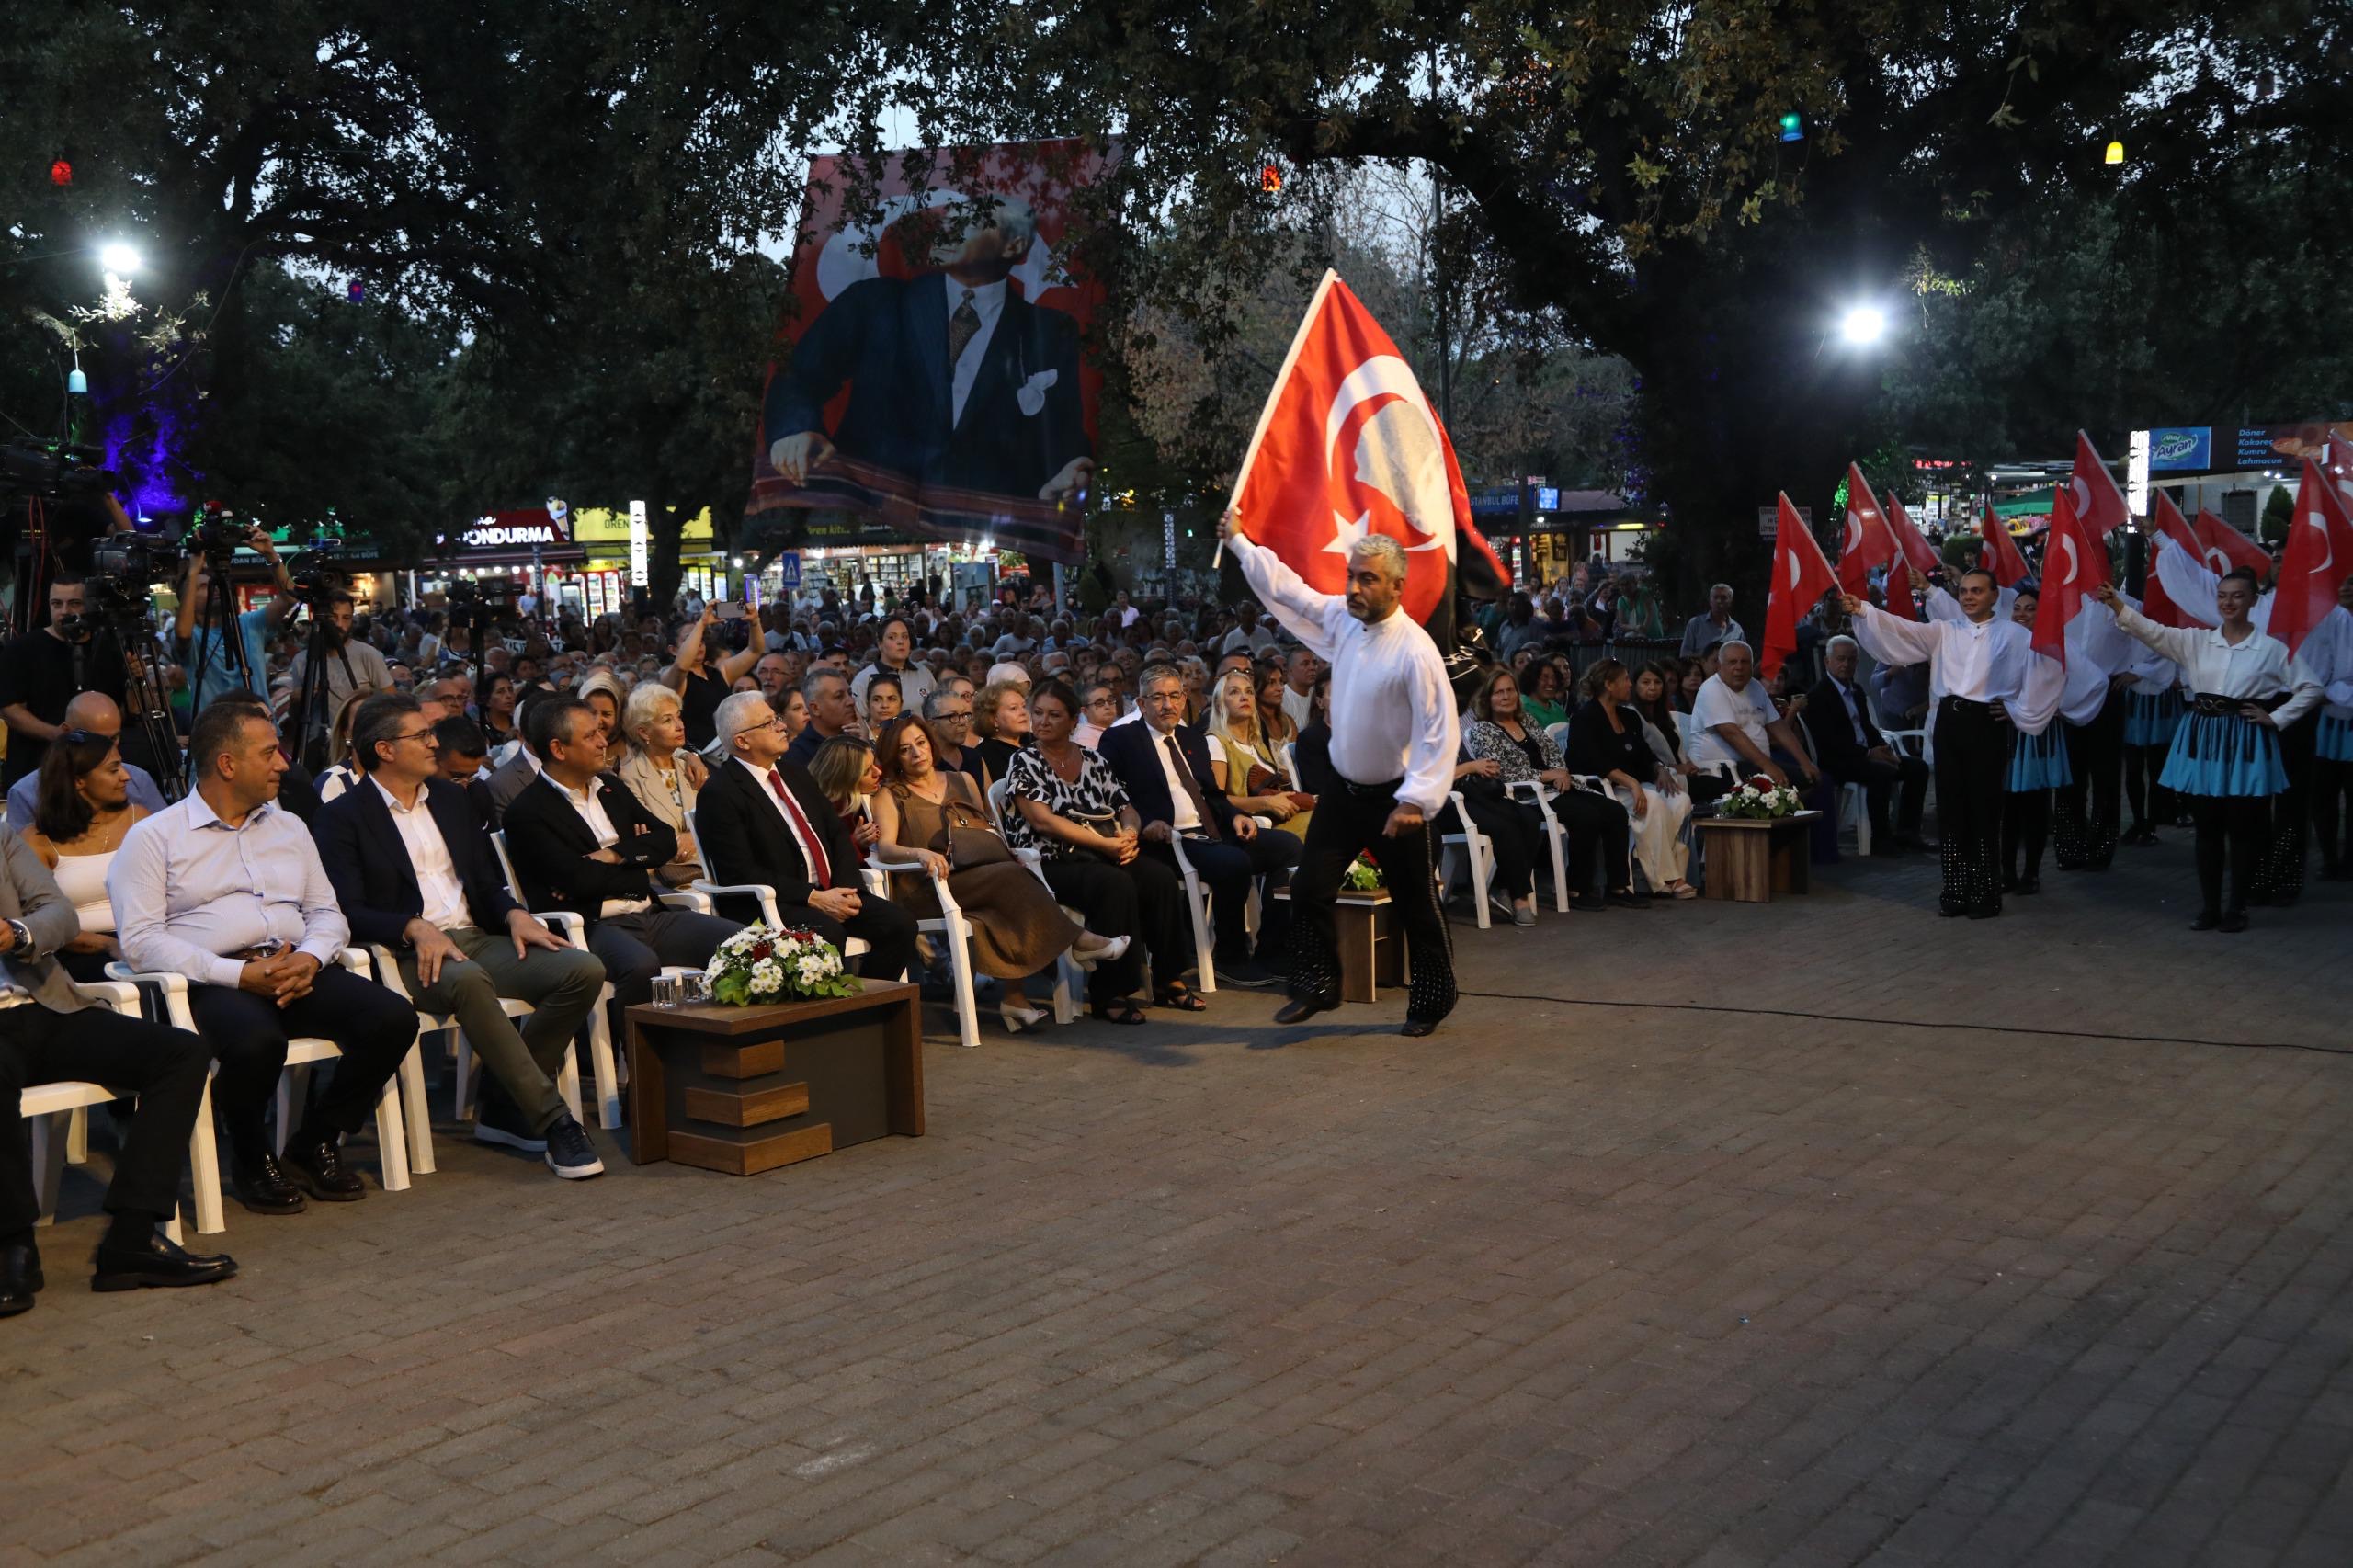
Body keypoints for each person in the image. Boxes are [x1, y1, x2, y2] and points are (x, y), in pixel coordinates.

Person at [109, 701, 421, 1213]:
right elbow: (141, 941)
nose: (284, 763)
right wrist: (238, 974)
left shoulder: (289, 827)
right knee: (257, 1042)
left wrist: (314, 959)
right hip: (208, 981)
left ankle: (314, 1140)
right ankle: (252, 1157)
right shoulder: (154, 837)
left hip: (294, 965)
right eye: (270, 753)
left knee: (392, 1017)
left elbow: (327, 911)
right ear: (228, 764)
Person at [313, 696, 608, 1178]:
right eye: (421, 735)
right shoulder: (342, 815)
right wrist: (410, 926)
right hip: (406, 955)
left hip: (474, 936)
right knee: (470, 981)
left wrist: (514, 913)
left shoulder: (451, 798)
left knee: (582, 969)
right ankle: (554, 1121)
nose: (435, 742)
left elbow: (486, 882)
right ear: (385, 749)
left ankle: (505, 1099)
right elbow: (345, 908)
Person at [1220, 513, 1450, 1033]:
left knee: (1417, 905)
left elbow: (1439, 732)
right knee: (1309, 891)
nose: (1353, 587)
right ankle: (1319, 987)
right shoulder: (1345, 620)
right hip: (1343, 797)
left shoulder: (1416, 651)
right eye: (1351, 575)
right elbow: (1292, 592)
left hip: (1398, 801)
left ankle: (1431, 1002)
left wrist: (1416, 801)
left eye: (1367, 578)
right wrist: (1238, 541)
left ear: (1396, 584)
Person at [3, 824, 237, 1313]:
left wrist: (17, 933)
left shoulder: (1, 837)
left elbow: (60, 914)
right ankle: (12, 1246)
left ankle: (131, 1239)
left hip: (44, 1006)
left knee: (181, 1053)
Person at [763, 196, 1095, 509]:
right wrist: (795, 430)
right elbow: (798, 377)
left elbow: (1062, 427)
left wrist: (1070, 468)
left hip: (988, 519)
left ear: (1014, 245)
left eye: (971, 222)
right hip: (871, 506)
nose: (948, 228)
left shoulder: (1050, 330)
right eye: (949, 220)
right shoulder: (875, 303)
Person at [499, 696, 741, 1036]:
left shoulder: (610, 787)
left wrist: (614, 855)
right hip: (591, 925)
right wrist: (635, 860)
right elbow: (578, 881)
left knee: (739, 941)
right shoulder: (527, 812)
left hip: (649, 911)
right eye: (591, 736)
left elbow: (664, 839)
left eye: (601, 731)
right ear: (558, 748)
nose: (603, 742)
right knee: (641, 966)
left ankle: (716, 1050)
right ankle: (639, 1075)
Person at [2096, 573, 2319, 931]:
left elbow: (2311, 687)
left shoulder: (2271, 649)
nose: (2228, 603)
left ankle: (2237, 907)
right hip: (2203, 738)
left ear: (2252, 601)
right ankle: (2210, 908)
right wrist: (2117, 603)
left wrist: (2276, 718)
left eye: (2237, 596)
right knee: (2208, 828)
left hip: (2243, 741)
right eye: (2222, 596)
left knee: (2243, 829)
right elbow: (2152, 632)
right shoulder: (2197, 641)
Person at [870, 714, 1121, 1032]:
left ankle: (1014, 998)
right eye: (905, 750)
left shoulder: (963, 780)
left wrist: (1008, 850)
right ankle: (1077, 940)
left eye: (920, 743)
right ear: (896, 758)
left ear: (931, 745)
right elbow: (887, 848)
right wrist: (919, 853)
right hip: (930, 886)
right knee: (1009, 881)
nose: (917, 753)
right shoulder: (891, 795)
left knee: (1002, 895)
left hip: (982, 875)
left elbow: (986, 828)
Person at [1840, 572, 2063, 918]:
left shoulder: (2016, 635)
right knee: (1951, 807)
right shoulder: (1944, 630)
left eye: (1977, 591)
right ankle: (1955, 892)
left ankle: (1985, 894)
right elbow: (1902, 630)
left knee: (1984, 810)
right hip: (1949, 722)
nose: (1969, 597)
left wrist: (2018, 709)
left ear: (1994, 596)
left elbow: (2048, 670)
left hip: (1985, 723)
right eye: (1963, 591)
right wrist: (1865, 610)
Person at [1098, 661, 1299, 990]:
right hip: (1167, 840)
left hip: (1213, 833)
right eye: (1158, 697)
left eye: (1174, 696)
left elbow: (1213, 795)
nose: (1168, 705)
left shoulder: (1191, 738)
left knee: (1288, 848)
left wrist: (1235, 815)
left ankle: (1272, 949)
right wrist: (1147, 823)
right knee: (1234, 864)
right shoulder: (1121, 740)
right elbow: (1113, 797)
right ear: (1142, 703)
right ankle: (1230, 958)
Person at [1003, 681, 1193, 1019]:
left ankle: (1168, 978)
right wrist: (1106, 844)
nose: (1043, 721)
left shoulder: (1092, 759)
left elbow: (1125, 807)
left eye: (1054, 715)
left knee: (1158, 877)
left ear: (1073, 720)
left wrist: (1131, 835)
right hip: (1048, 860)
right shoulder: (1025, 759)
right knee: (1114, 883)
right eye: (1038, 713)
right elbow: (1043, 821)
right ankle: (1110, 993)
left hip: (1100, 852)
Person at [693, 692, 915, 980]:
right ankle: (825, 1018)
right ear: (742, 741)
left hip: (830, 891)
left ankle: (868, 1009)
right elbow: (739, 872)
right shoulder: (720, 793)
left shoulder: (795, 773)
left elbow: (835, 832)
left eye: (777, 720)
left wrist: (847, 888)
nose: (782, 726)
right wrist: (813, 897)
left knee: (901, 924)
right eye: (769, 723)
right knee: (828, 932)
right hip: (775, 901)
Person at [15, 729, 149, 982]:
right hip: (77, 951)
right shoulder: (37, 840)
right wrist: (107, 945)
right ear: (78, 780)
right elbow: (38, 922)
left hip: (145, 937)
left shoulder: (139, 819)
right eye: (113, 769)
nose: (126, 776)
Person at [1563, 661, 1695, 899]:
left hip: (1634, 785)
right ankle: (1669, 878)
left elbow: (1646, 755)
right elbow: (1593, 762)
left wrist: (1660, 768)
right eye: (1625, 679)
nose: (1630, 684)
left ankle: (1647, 863)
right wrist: (1632, 784)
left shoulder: (1628, 717)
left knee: (1679, 800)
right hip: (1602, 788)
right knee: (1653, 801)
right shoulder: (1585, 718)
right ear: (1609, 685)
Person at [1, 575, 138, 790]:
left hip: (99, 775)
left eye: (74, 603)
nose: (64, 611)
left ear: (90, 605)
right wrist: (56, 734)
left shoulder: (109, 648)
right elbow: (9, 709)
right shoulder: (22, 649)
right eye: (57, 604)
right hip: (36, 771)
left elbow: (122, 709)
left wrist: (135, 683)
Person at [1804, 635, 1931, 856]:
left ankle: (1907, 832)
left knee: (1917, 768)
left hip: (1865, 753)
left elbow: (1868, 728)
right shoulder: (1819, 695)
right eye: (1840, 659)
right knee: (1880, 773)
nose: (1846, 665)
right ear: (1828, 662)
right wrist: (1869, 753)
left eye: (1851, 660)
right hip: (1838, 759)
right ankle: (1880, 839)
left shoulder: (1856, 690)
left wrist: (1883, 749)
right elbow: (1829, 741)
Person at [171, 526, 298, 712]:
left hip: (262, 727)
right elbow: (182, 633)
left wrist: (271, 556)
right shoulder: (194, 636)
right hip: (215, 734)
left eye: (212, 583)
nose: (213, 588)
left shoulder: (249, 623)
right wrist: (193, 571)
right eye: (202, 587)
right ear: (186, 600)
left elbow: (290, 598)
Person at [5, 693, 167, 827]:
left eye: (115, 737)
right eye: (98, 740)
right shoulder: (26, 794)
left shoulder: (138, 780)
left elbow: (167, 841)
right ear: (67, 732)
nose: (110, 749)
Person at [1688, 642, 1820, 794]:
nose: (1739, 667)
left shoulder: (1755, 687)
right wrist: (1767, 766)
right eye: (1732, 662)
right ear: (1720, 666)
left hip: (1753, 765)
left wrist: (1805, 762)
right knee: (1787, 782)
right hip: (1719, 769)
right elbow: (1730, 733)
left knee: (1811, 778)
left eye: (1744, 662)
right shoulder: (1711, 689)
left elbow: (1778, 725)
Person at [613, 682, 707, 888]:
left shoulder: (690, 765)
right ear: (644, 733)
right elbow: (650, 839)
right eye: (667, 720)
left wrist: (694, 836)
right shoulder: (629, 777)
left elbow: (716, 818)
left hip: (710, 868)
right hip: (669, 880)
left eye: (678, 716)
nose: (680, 725)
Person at [1205, 668, 1314, 841]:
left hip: (1276, 816)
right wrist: (1267, 802)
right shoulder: (1216, 742)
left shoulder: (1256, 741)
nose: (1244, 697)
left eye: (1249, 692)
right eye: (1234, 692)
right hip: (1249, 825)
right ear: (1220, 704)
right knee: (1319, 823)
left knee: (1329, 812)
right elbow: (1217, 800)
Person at [663, 601, 763, 750]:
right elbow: (682, 665)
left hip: (729, 750)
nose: (699, 644)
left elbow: (755, 651)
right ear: (673, 650)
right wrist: (701, 623)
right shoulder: (671, 676)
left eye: (701, 639)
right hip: (695, 756)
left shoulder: (720, 671)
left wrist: (755, 622)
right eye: (690, 639)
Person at [2303, 579, 2353, 880]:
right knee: (2322, 796)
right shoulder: (2325, 620)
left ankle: (2349, 860)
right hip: (2326, 724)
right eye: (2342, 582)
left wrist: (2329, 691)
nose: (2345, 588)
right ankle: (2329, 858)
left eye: (2352, 582)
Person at [284, 590, 395, 720]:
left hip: (358, 735)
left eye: (346, 618)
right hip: (317, 737)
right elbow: (296, 716)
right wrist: (296, 700)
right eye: (333, 617)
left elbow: (391, 702)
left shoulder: (368, 654)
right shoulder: (302, 660)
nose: (339, 624)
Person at [851, 617, 937, 724]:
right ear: (880, 644)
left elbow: (936, 713)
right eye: (892, 637)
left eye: (905, 637)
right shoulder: (863, 679)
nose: (900, 642)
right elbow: (860, 722)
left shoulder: (924, 673)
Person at [785, 667, 859, 767]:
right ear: (815, 708)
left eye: (850, 694)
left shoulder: (856, 737)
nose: (851, 701)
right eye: (839, 696)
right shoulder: (797, 755)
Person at [972, 678, 1031, 787]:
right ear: (994, 719)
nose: (1023, 712)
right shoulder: (984, 756)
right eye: (1013, 708)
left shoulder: (1034, 741)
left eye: (1023, 706)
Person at [1677, 584, 1745, 661]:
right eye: (1716, 597)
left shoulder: (1737, 630)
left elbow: (1743, 656)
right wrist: (1707, 659)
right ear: (1710, 601)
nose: (1719, 601)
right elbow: (1684, 654)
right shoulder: (1695, 624)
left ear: (1730, 602)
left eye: (1723, 598)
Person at [477, 671, 522, 753]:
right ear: (487, 700)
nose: (509, 695)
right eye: (500, 692)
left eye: (510, 690)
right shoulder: (479, 729)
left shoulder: (519, 725)